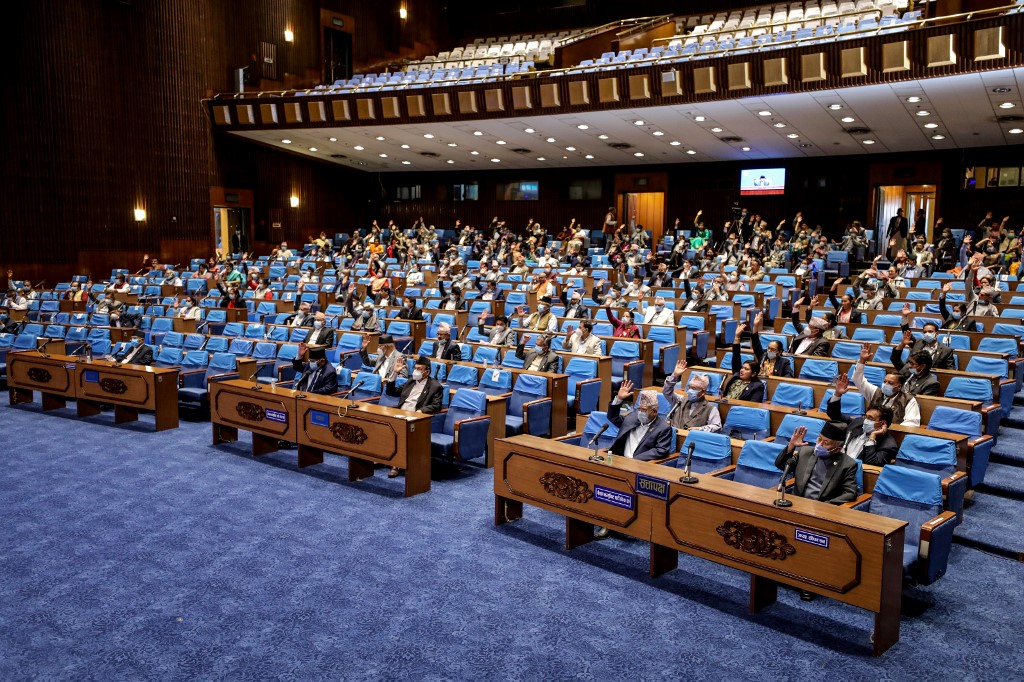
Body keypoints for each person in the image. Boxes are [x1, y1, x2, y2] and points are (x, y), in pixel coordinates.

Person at [774, 423, 859, 512]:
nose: (819, 444)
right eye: (819, 439)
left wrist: (826, 505)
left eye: (825, 442)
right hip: (796, 505)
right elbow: (781, 465)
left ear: (837, 449)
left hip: (822, 511)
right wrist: (791, 445)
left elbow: (850, 493)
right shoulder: (805, 452)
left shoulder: (847, 464)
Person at [383, 355, 444, 477]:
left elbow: (437, 406)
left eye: (419, 369)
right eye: (415, 368)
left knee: (399, 432)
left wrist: (422, 411)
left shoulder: (435, 386)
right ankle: (384, 456)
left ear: (427, 372)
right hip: (401, 413)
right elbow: (391, 392)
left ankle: (396, 465)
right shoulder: (411, 381)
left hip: (416, 417)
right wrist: (395, 373)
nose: (416, 371)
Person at [828, 374, 899, 466]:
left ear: (882, 423)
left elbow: (871, 464)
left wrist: (872, 438)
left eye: (870, 418)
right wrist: (837, 394)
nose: (865, 421)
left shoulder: (888, 445)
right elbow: (834, 414)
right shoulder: (858, 423)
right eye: (866, 416)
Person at [851, 343, 921, 426]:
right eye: (884, 382)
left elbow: (912, 423)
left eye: (890, 383)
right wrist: (862, 361)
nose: (885, 384)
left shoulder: (908, 400)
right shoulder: (875, 392)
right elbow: (858, 380)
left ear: (899, 387)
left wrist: (886, 429)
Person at [605, 383, 673, 463]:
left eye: (644, 410)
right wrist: (619, 399)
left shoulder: (663, 428)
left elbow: (661, 450)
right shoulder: (632, 418)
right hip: (620, 460)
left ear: (654, 411)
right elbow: (613, 417)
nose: (640, 412)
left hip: (640, 464)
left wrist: (635, 460)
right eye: (639, 409)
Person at [661, 359, 722, 432]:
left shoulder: (711, 408)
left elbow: (717, 426)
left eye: (694, 388)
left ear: (703, 392)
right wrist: (674, 375)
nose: (690, 391)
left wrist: (700, 429)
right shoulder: (680, 400)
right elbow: (666, 391)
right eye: (689, 387)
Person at [898, 304, 954, 369]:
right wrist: (904, 316)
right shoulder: (917, 343)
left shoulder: (946, 350)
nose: (927, 334)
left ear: (936, 334)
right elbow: (907, 333)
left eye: (930, 331)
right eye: (925, 332)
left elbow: (950, 370)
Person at [721, 324, 766, 402]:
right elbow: (736, 357)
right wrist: (737, 337)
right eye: (742, 368)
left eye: (746, 369)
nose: (742, 370)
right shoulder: (736, 376)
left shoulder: (757, 386)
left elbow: (753, 405)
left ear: (753, 374)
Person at [749, 311, 794, 378]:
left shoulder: (784, 362)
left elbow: (789, 375)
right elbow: (756, 343)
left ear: (779, 352)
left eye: (773, 349)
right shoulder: (763, 356)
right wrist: (755, 326)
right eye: (769, 348)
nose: (769, 350)